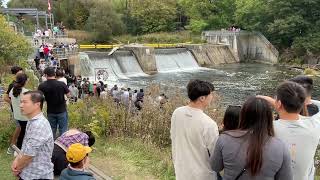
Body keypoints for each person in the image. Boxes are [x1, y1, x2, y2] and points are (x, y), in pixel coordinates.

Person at [210, 97, 293, 180]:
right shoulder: (280, 147)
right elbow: (286, 177)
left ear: (243, 115)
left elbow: (215, 167)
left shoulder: (225, 139)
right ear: (268, 118)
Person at [260, 81, 320, 180]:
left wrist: (271, 101)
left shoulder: (268, 129)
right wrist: (298, 99)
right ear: (303, 103)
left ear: (279, 103)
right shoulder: (315, 126)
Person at [170, 80, 219, 180]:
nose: (212, 97)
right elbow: (215, 156)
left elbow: (173, 136)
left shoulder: (177, 112)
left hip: (181, 170)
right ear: (202, 98)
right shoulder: (209, 124)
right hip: (203, 175)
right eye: (210, 94)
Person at [11, 91, 54, 179]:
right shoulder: (32, 121)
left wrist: (17, 167)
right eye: (21, 102)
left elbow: (28, 155)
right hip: (29, 173)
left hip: (37, 176)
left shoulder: (39, 125)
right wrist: (17, 160)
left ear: (37, 105)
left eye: (25, 102)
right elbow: (26, 147)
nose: (21, 105)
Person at [38, 67, 70, 139]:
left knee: (52, 129)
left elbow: (39, 98)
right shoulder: (61, 84)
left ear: (46, 75)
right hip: (62, 110)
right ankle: (62, 145)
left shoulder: (42, 86)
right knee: (63, 130)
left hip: (50, 111)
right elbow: (68, 95)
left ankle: (52, 146)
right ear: (54, 74)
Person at [4, 66, 23, 154]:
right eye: (20, 72)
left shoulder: (19, 83)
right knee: (19, 128)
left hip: (20, 111)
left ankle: (16, 147)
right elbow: (5, 97)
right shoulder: (13, 84)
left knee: (21, 128)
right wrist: (15, 105)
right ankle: (12, 147)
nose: (22, 73)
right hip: (16, 111)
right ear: (16, 73)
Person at [8, 73, 29, 149]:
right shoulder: (26, 92)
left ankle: (19, 147)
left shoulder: (12, 90)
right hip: (25, 117)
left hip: (17, 115)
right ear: (25, 81)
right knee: (24, 133)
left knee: (22, 131)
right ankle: (20, 148)